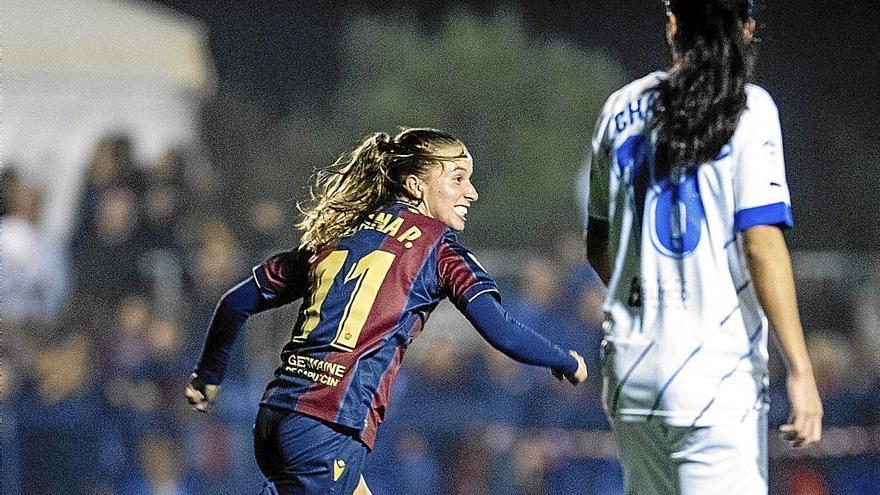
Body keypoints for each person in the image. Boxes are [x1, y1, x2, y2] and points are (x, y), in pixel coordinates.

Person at [185, 127, 588, 495]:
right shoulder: (440, 251)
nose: (472, 193)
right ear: (415, 185)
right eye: (458, 180)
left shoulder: (339, 232)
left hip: (277, 418)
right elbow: (500, 329)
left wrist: (207, 376)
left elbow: (235, 303)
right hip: (328, 426)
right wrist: (563, 359)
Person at [583, 1, 823, 493]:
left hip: (632, 368)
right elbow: (761, 242)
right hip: (713, 373)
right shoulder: (749, 107)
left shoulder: (618, 109)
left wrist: (650, 297)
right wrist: (800, 366)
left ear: (673, 24)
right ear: (748, 29)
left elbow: (598, 244)